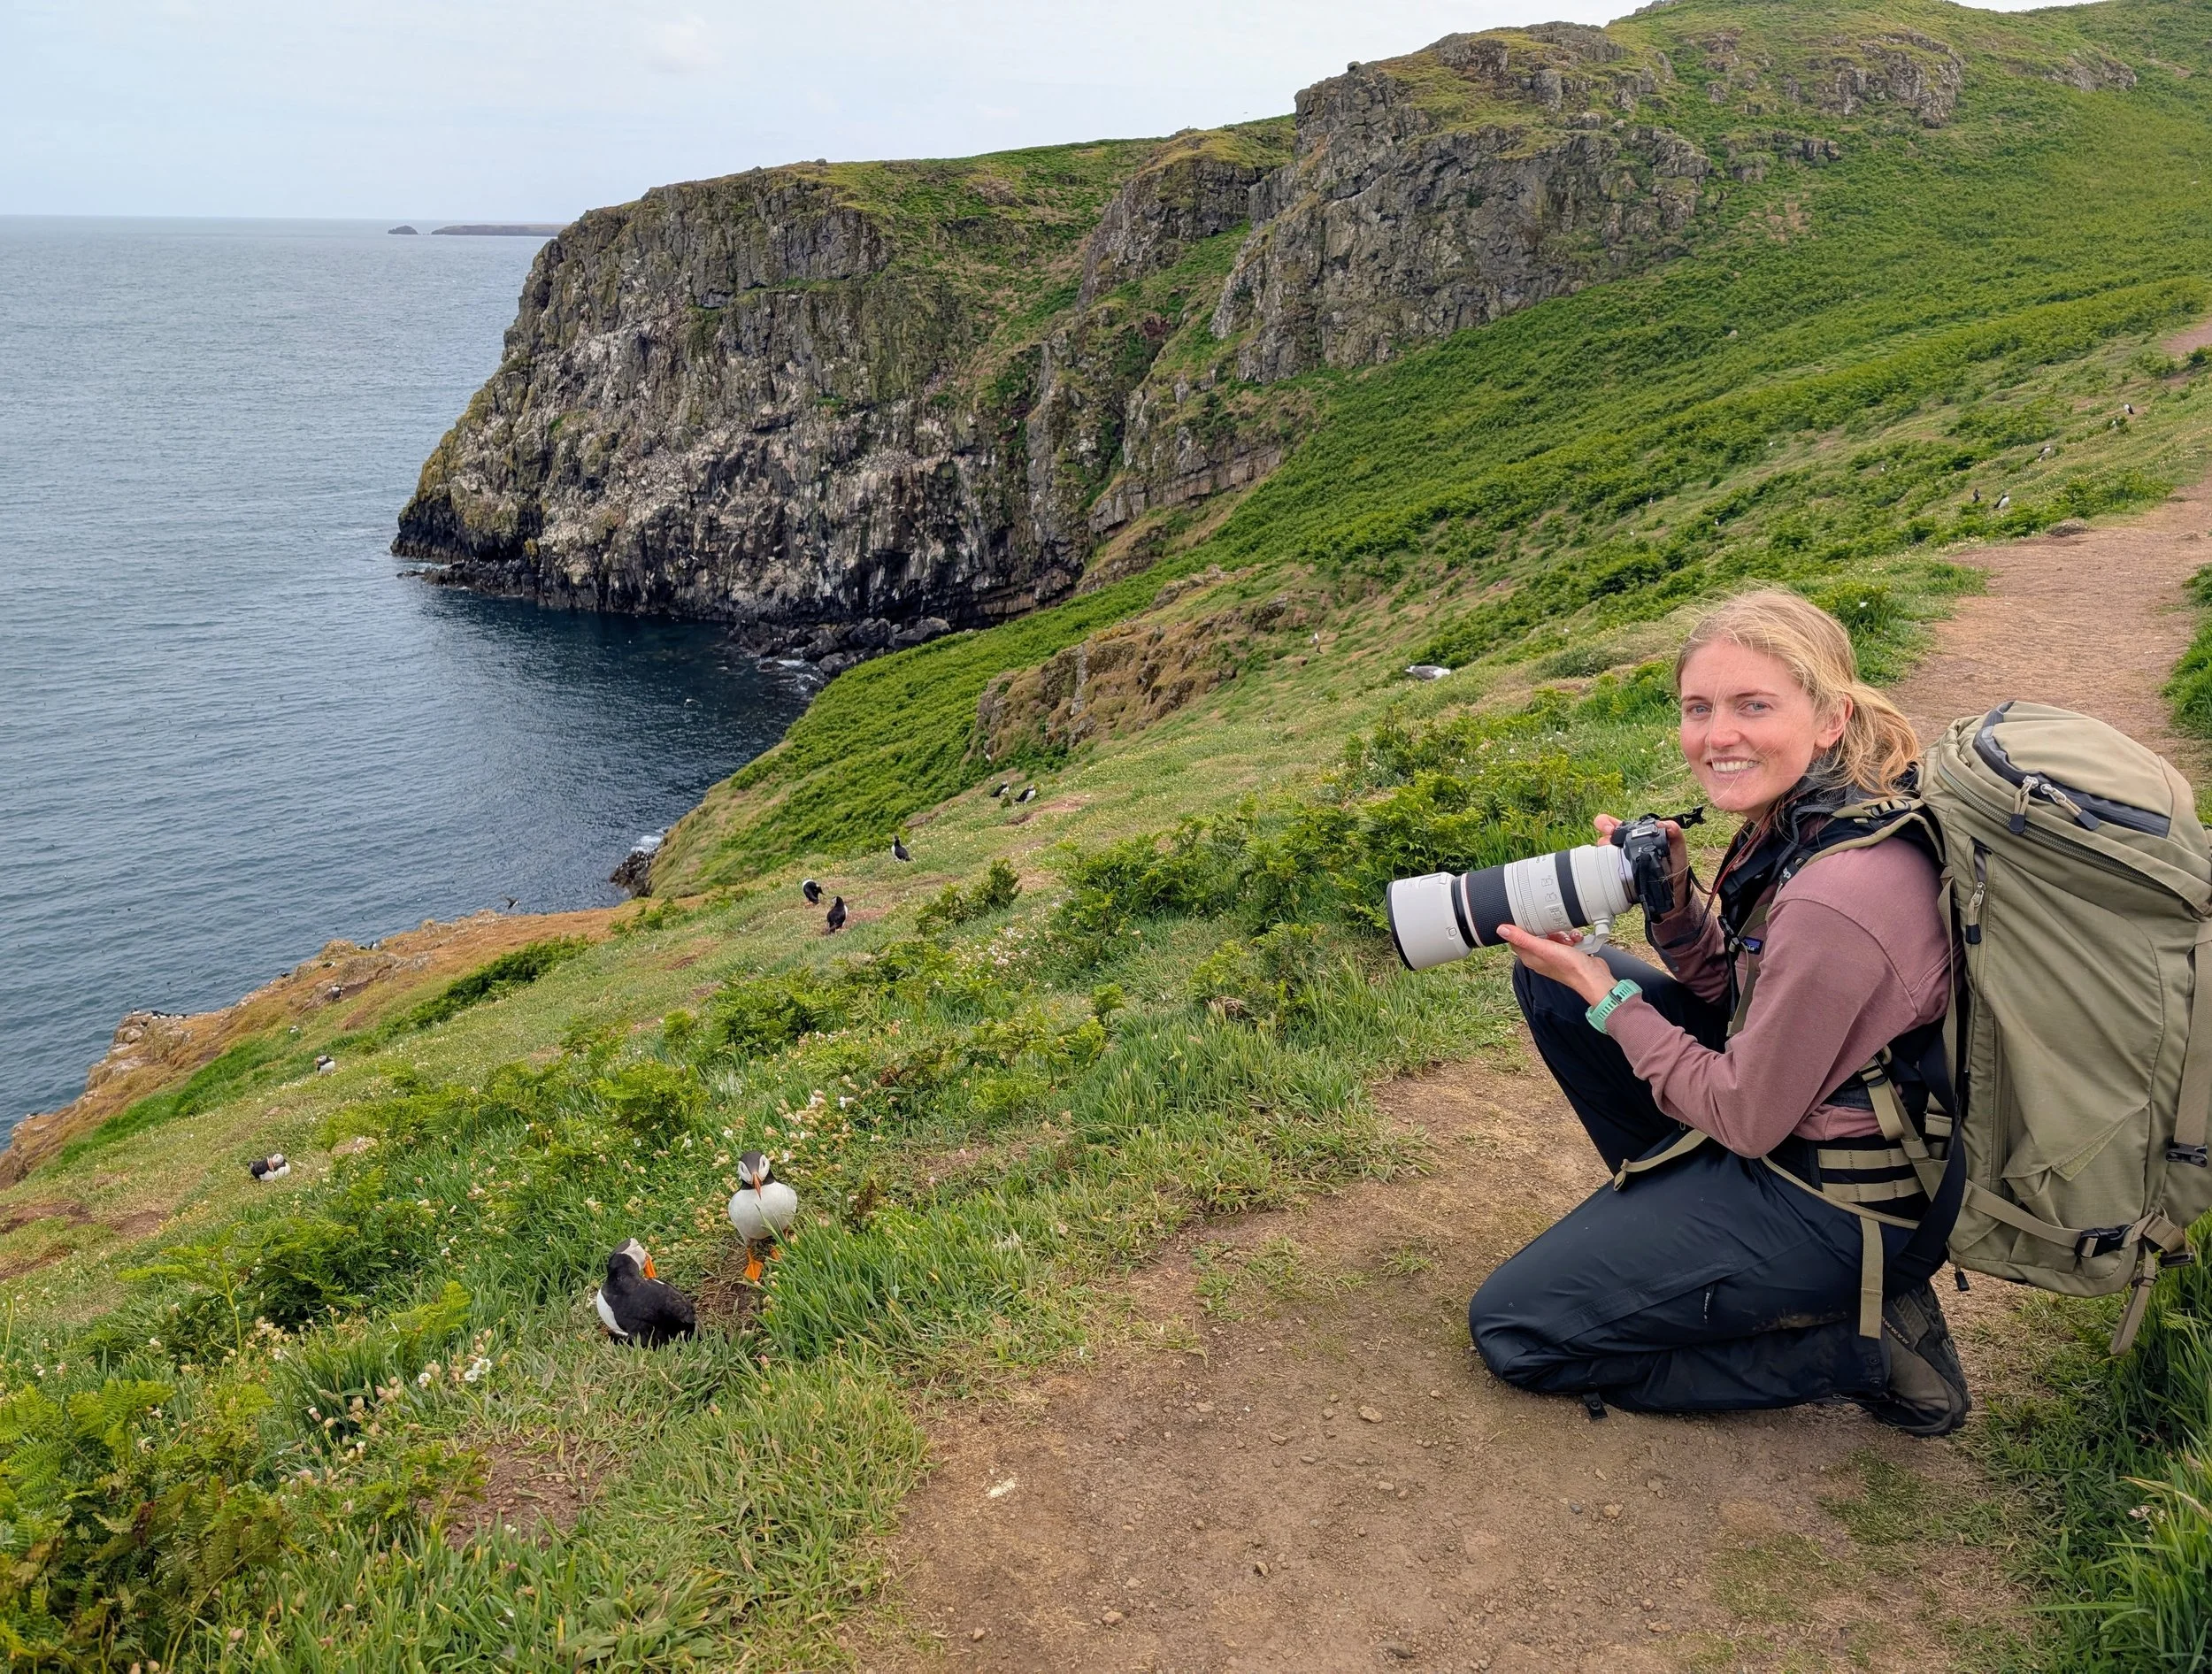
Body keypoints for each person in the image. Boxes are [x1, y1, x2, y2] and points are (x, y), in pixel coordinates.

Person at [1469, 589, 1970, 1434]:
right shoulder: (1813, 818)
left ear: (1830, 718)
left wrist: (1608, 991)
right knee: (1552, 988)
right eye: (1698, 708)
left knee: (1515, 1330)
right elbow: (1739, 999)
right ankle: (1684, 1242)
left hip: (1843, 1203)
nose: (1717, 735)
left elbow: (1744, 1113)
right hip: (1803, 1132)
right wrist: (1669, 902)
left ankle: (1862, 1351)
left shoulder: (1838, 891)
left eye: (1752, 706)